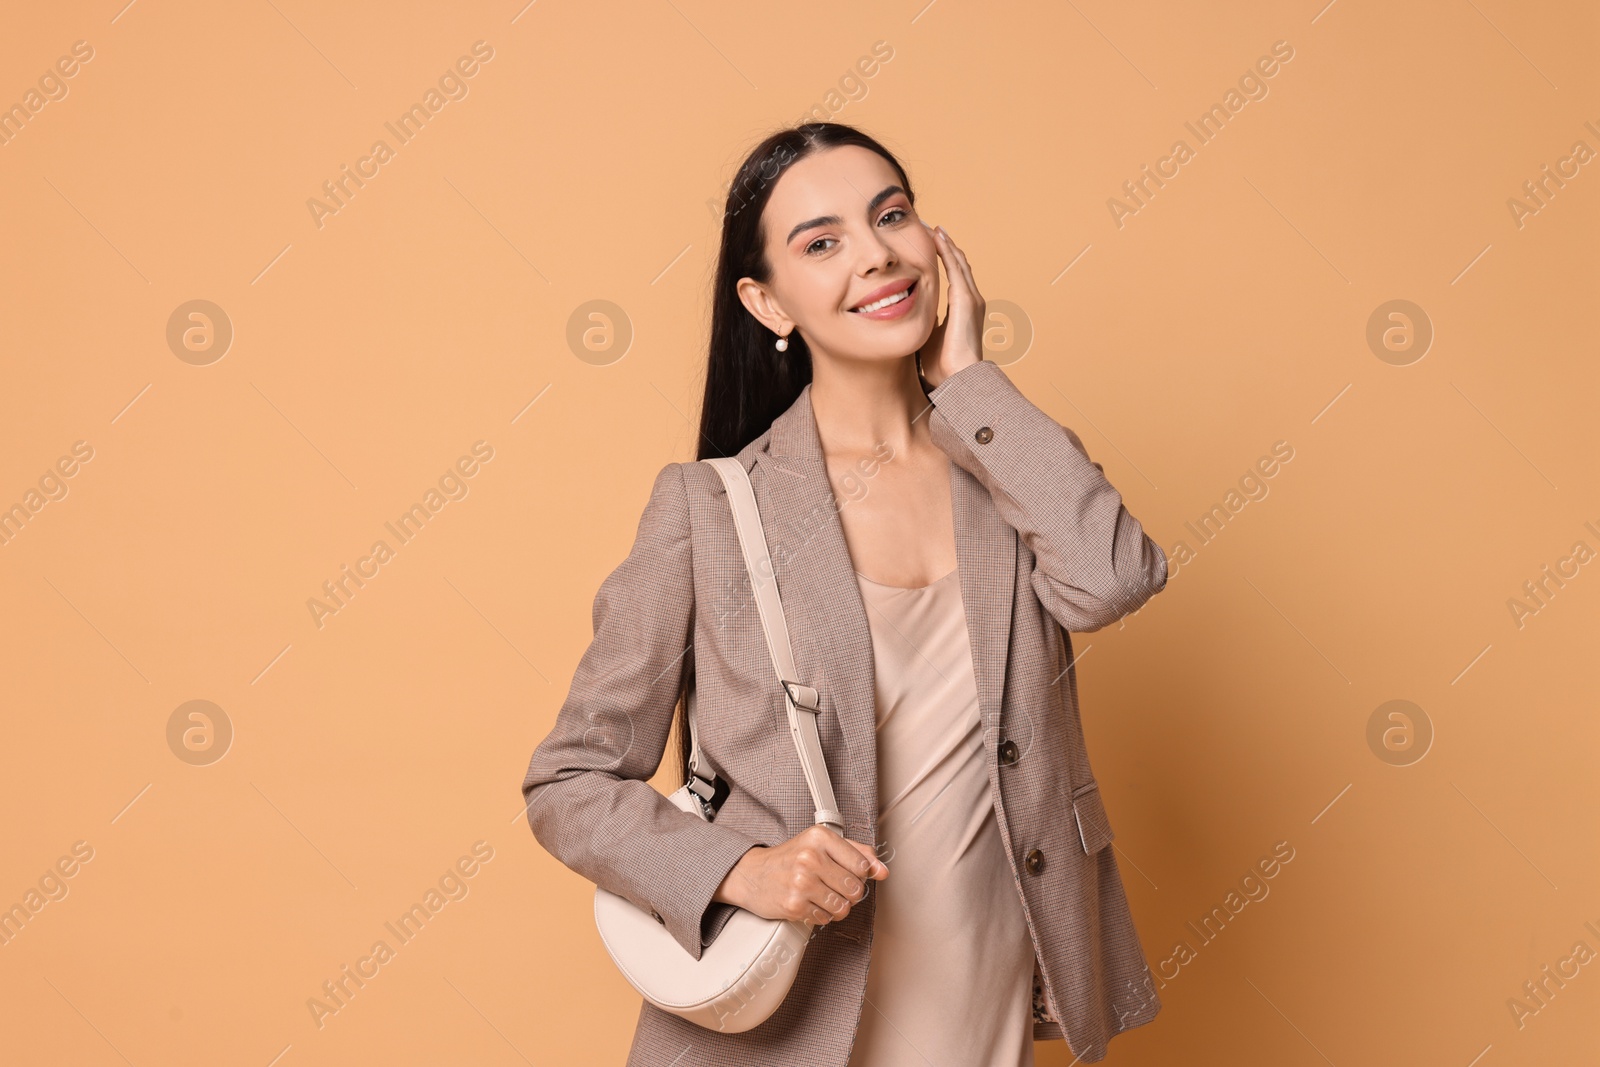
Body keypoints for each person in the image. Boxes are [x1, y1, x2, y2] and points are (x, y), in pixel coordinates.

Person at [521, 122, 1169, 1066]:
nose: (875, 255)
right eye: (821, 242)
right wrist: (738, 869)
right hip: (793, 1025)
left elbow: (1112, 578)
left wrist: (972, 383)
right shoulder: (707, 510)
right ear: (766, 299)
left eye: (891, 216)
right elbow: (568, 779)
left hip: (981, 998)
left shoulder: (1007, 471)